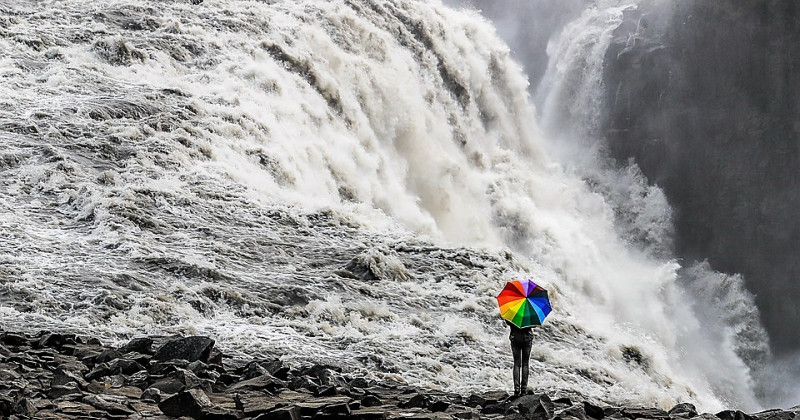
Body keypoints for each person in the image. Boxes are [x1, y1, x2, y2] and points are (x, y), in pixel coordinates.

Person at [506, 320, 534, 396]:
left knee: (516, 364)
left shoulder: (513, 312)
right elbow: (534, 325)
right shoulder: (529, 314)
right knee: (525, 364)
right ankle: (524, 389)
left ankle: (516, 389)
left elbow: (508, 322)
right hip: (527, 339)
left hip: (515, 338)